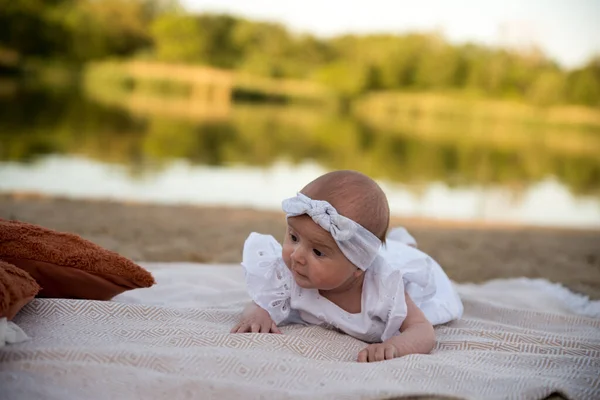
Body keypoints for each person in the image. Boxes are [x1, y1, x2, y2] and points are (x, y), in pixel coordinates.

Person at [231, 170, 463, 362]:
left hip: (401, 272)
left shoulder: (384, 289)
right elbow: (260, 303)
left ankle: (403, 246)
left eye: (318, 252)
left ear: (358, 266)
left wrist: (396, 347)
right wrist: (257, 315)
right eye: (294, 237)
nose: (297, 256)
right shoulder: (290, 273)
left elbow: (422, 330)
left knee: (401, 258)